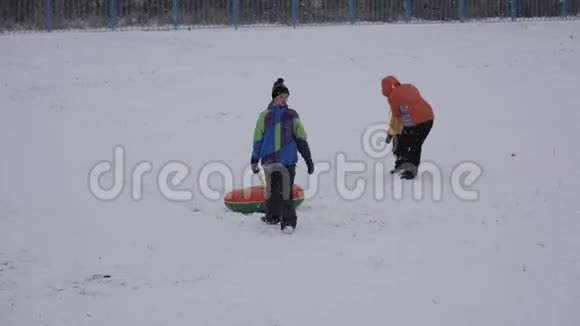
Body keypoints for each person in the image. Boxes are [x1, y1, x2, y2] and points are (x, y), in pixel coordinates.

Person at [250, 78, 314, 233]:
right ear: (274, 97)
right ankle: (272, 216)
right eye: (281, 97)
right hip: (270, 161)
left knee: (286, 191)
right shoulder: (264, 117)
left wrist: (308, 159)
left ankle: (289, 223)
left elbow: (301, 139)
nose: (284, 100)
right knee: (271, 191)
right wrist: (254, 159)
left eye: (286, 97)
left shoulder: (292, 116)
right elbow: (258, 140)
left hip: (287, 161)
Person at [382, 75, 434, 179]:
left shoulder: (393, 97)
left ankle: (406, 166)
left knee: (400, 140)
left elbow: (396, 118)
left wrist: (390, 134)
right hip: (429, 118)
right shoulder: (409, 86)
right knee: (416, 144)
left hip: (417, 124)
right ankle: (405, 166)